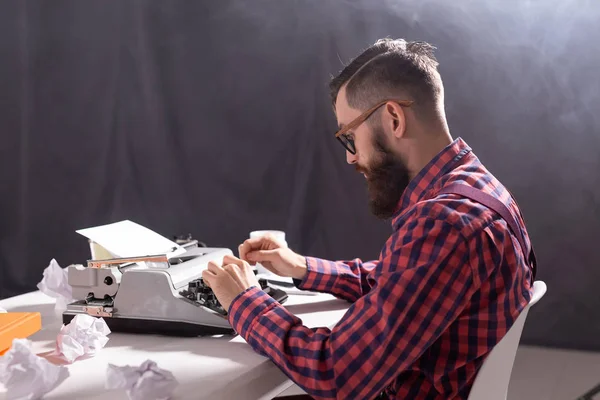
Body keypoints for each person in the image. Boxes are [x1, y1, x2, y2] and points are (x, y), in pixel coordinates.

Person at [201, 38, 537, 400]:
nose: (351, 158)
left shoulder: (445, 222)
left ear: (393, 118)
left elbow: (335, 372)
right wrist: (300, 267)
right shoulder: (477, 188)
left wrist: (244, 301)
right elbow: (399, 280)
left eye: (350, 137)